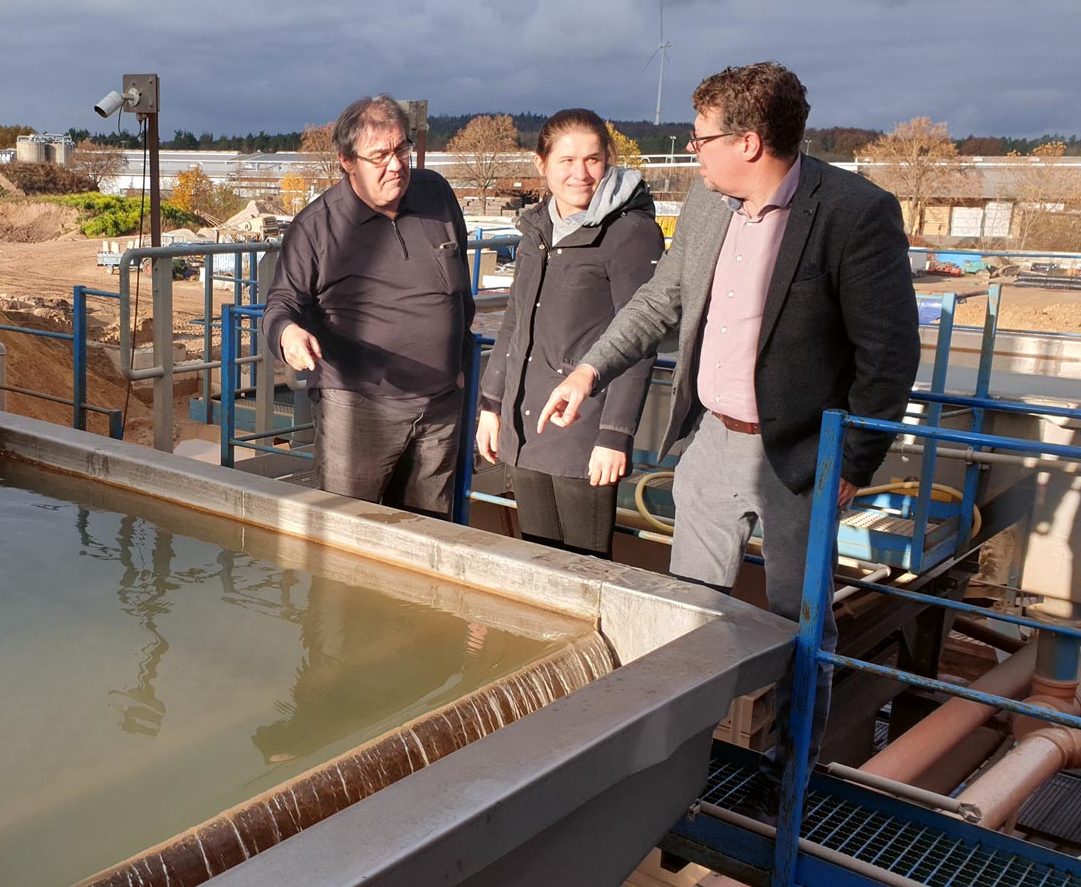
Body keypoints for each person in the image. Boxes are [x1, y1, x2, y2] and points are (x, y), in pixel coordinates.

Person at [539, 62, 919, 798]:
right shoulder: (709, 206)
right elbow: (659, 303)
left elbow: (889, 355)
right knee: (687, 612)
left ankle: (790, 772)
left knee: (799, 625)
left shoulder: (852, 213)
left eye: (702, 136)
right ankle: (679, 764)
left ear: (749, 142)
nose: (693, 148)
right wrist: (590, 372)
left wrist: (856, 461)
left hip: (803, 456)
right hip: (714, 441)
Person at [263, 94, 475, 518]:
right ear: (347, 161)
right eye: (379, 155)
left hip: (440, 406)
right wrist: (287, 334)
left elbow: (459, 290)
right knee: (348, 530)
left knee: (427, 534)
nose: (395, 165)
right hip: (357, 409)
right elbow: (282, 302)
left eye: (401, 150)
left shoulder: (436, 193)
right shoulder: (317, 226)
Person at [475, 109, 665, 559]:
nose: (581, 174)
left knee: (585, 565)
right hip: (525, 422)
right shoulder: (536, 230)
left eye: (593, 160)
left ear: (609, 160)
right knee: (538, 557)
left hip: (583, 427)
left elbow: (639, 341)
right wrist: (491, 405)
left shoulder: (630, 234)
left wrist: (615, 434)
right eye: (566, 161)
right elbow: (515, 323)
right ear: (541, 164)